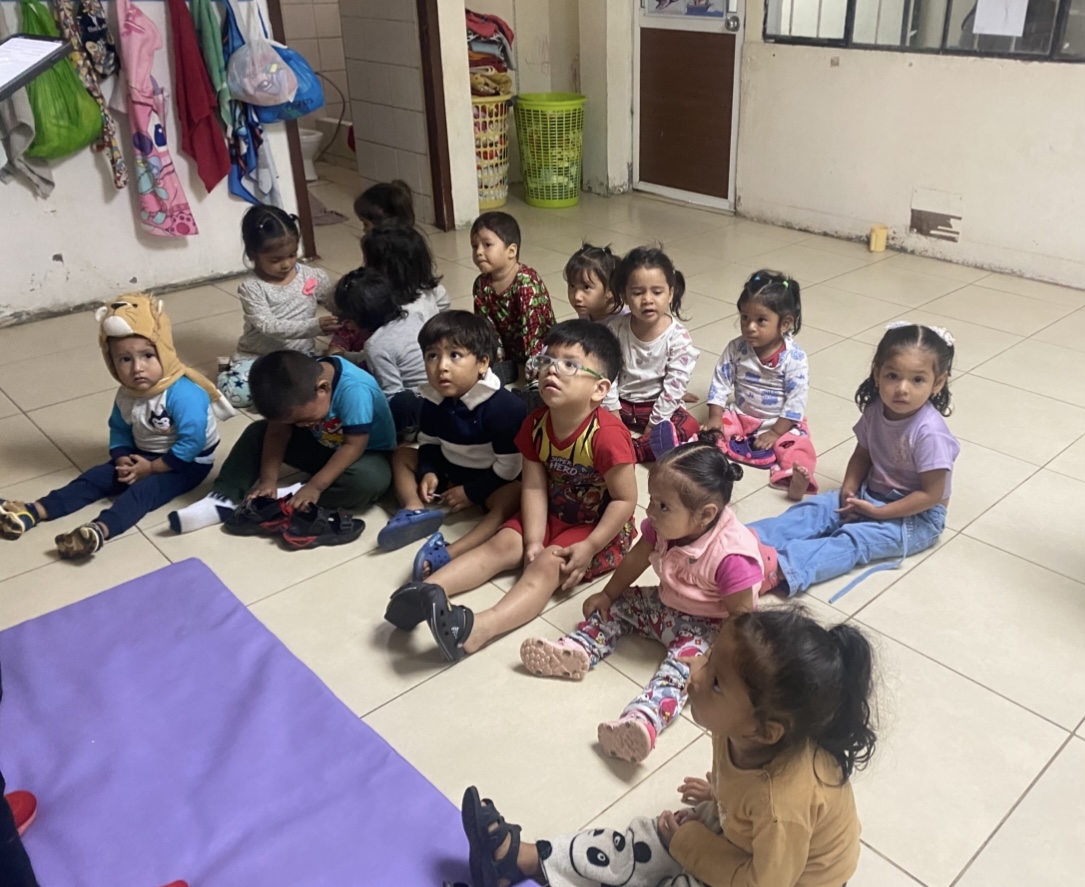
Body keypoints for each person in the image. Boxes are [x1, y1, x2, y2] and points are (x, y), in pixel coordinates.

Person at [456, 607, 876, 887]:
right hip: (749, 840)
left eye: (716, 682)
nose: (695, 673)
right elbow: (747, 796)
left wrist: (690, 843)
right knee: (647, 836)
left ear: (764, 731)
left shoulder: (784, 805)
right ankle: (521, 859)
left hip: (780, 878)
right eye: (708, 657)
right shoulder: (737, 728)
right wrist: (721, 798)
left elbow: (762, 882)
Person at [384, 320, 638, 663]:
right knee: (501, 545)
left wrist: (590, 546)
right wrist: (532, 539)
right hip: (550, 512)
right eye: (547, 360)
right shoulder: (535, 424)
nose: (552, 370)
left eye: (570, 364)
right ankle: (424, 593)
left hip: (595, 529)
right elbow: (532, 485)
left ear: (599, 389)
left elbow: (625, 499)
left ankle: (477, 630)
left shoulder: (607, 436)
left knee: (546, 566)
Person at [521, 434, 761, 764]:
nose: (650, 512)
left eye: (663, 506)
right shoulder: (664, 527)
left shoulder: (732, 557)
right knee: (619, 606)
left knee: (682, 671)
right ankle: (576, 649)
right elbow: (636, 559)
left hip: (710, 628)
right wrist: (608, 594)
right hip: (666, 603)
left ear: (705, 515)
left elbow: (742, 619)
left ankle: (643, 720)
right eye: (652, 500)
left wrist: (713, 663)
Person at [0, 294, 234, 558]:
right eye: (125, 359)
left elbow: (192, 443)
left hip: (187, 462)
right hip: (142, 454)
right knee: (94, 478)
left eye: (148, 355)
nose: (137, 368)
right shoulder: (127, 394)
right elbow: (120, 429)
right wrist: (122, 457)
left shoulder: (183, 394)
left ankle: (98, 531)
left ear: (165, 352)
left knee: (143, 492)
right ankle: (33, 511)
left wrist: (152, 468)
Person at [750, 322, 959, 597]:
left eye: (917, 380)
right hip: (870, 492)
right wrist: (849, 489)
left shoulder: (930, 433)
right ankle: (743, 543)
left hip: (917, 516)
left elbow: (932, 494)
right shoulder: (875, 410)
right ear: (877, 373)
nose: (902, 389)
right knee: (815, 510)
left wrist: (879, 513)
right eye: (893, 376)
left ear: (938, 383)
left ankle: (779, 569)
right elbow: (863, 454)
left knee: (854, 539)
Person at [168, 350, 396, 534]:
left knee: (369, 481)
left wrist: (314, 486)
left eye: (304, 419)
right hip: (323, 445)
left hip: (363, 453)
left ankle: (288, 499)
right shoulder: (295, 390)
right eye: (293, 422)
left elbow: (353, 445)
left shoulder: (354, 390)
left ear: (323, 388)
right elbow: (277, 433)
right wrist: (268, 480)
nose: (300, 426)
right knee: (258, 431)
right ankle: (223, 498)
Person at [378, 312, 526, 574]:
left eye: (454, 355)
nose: (441, 366)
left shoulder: (505, 408)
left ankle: (450, 552)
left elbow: (510, 467)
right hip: (451, 468)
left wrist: (471, 493)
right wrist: (429, 471)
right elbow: (429, 441)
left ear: (482, 363)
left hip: (492, 479)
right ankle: (414, 509)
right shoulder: (432, 400)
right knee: (402, 455)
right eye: (432, 356)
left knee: (513, 496)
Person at [704, 269, 816, 500]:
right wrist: (715, 416)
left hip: (779, 421)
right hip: (740, 415)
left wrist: (775, 432)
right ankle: (694, 452)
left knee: (796, 445)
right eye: (745, 318)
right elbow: (720, 381)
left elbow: (795, 402)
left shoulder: (795, 359)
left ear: (785, 324)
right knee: (711, 432)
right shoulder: (736, 348)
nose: (750, 327)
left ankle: (793, 477)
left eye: (761, 320)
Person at [217, 205, 339, 408]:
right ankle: (225, 370)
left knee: (324, 385)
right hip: (260, 357)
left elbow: (335, 303)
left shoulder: (312, 275)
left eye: (292, 255)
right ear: (253, 255)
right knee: (238, 395)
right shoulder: (252, 288)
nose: (286, 264)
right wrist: (315, 326)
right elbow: (268, 326)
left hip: (300, 357)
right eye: (276, 259)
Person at [603, 246, 700, 463]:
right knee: (584, 411)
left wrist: (655, 424)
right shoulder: (615, 329)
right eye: (638, 293)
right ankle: (631, 445)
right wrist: (613, 413)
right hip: (621, 403)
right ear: (624, 295)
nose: (648, 299)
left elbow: (674, 387)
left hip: (654, 405)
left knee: (690, 426)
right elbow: (608, 374)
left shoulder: (678, 337)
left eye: (657, 292)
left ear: (670, 294)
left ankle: (634, 450)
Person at [328, 221, 450, 358]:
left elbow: (379, 353)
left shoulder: (396, 311)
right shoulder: (427, 290)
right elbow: (444, 303)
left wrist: (347, 357)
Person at [332, 268, 427, 439]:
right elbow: (388, 353)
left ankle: (405, 434)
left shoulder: (376, 346)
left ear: (358, 319)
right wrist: (345, 356)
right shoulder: (413, 316)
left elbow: (392, 393)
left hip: (420, 406)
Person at [470, 211, 556, 384]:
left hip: (539, 348)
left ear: (511, 251)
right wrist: (496, 358)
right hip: (510, 353)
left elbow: (535, 331)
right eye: (474, 246)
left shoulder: (526, 282)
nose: (478, 252)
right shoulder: (481, 284)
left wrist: (534, 366)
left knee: (542, 373)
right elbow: (486, 327)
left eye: (487, 245)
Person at [564, 243, 623, 323]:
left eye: (586, 287)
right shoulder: (586, 310)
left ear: (610, 290)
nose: (577, 297)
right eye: (572, 286)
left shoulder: (624, 322)